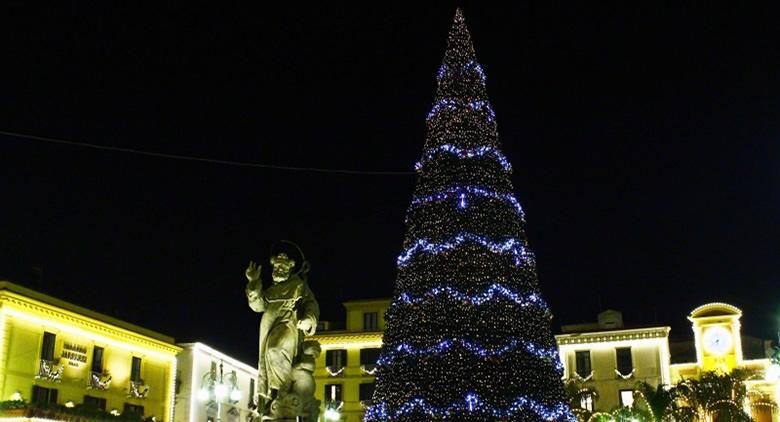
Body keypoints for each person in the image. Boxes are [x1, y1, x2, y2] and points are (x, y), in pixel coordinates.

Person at [245, 252, 319, 416]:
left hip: (288, 324)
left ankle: (282, 391)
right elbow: (257, 305)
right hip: (269, 328)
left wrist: (308, 319)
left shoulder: (299, 285)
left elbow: (311, 303)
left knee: (276, 349)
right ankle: (274, 394)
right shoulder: (271, 291)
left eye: (283, 267)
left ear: (290, 269)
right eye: (277, 266)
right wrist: (253, 282)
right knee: (269, 358)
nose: (279, 269)